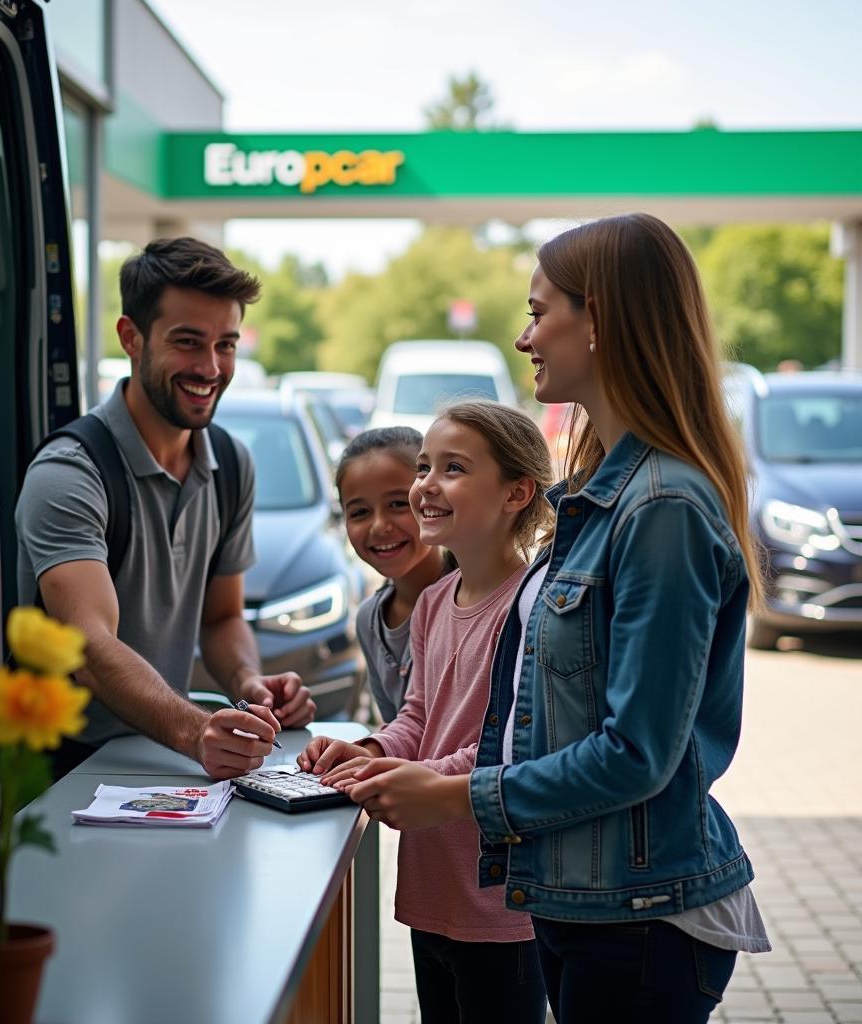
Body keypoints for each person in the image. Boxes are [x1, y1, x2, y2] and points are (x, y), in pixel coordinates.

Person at [340, 214, 771, 1024]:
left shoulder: (663, 505)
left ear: (600, 320)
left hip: (640, 914)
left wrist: (457, 797)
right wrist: (390, 758)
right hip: (582, 900)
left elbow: (636, 753)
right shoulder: (610, 492)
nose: (524, 335)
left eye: (540, 313)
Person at [15, 237, 315, 779]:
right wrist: (195, 731)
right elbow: (87, 647)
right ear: (132, 338)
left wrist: (250, 684)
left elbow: (222, 617)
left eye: (226, 344)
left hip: (164, 766)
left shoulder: (229, 461)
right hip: (54, 775)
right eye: (187, 342)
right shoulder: (70, 472)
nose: (211, 367)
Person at [300, 401, 553, 1024]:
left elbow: (514, 748)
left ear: (516, 492)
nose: (426, 486)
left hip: (501, 904)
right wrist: (372, 753)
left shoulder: (533, 607)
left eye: (453, 468)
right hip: (431, 883)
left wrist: (416, 778)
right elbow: (416, 716)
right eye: (424, 467)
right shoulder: (436, 601)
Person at [334, 426, 448, 724]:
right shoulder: (369, 620)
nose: (379, 526)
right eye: (359, 512)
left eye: (397, 504)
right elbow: (398, 731)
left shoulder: (470, 603)